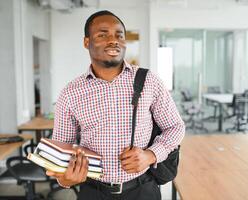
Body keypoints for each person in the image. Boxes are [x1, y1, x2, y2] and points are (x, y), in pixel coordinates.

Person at [46, 10, 185, 200]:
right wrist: (66, 180)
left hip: (143, 189)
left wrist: (150, 155)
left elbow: (175, 127)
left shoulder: (149, 80)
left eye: (119, 35)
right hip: (93, 192)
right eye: (102, 34)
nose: (114, 40)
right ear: (87, 42)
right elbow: (61, 149)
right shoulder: (70, 93)